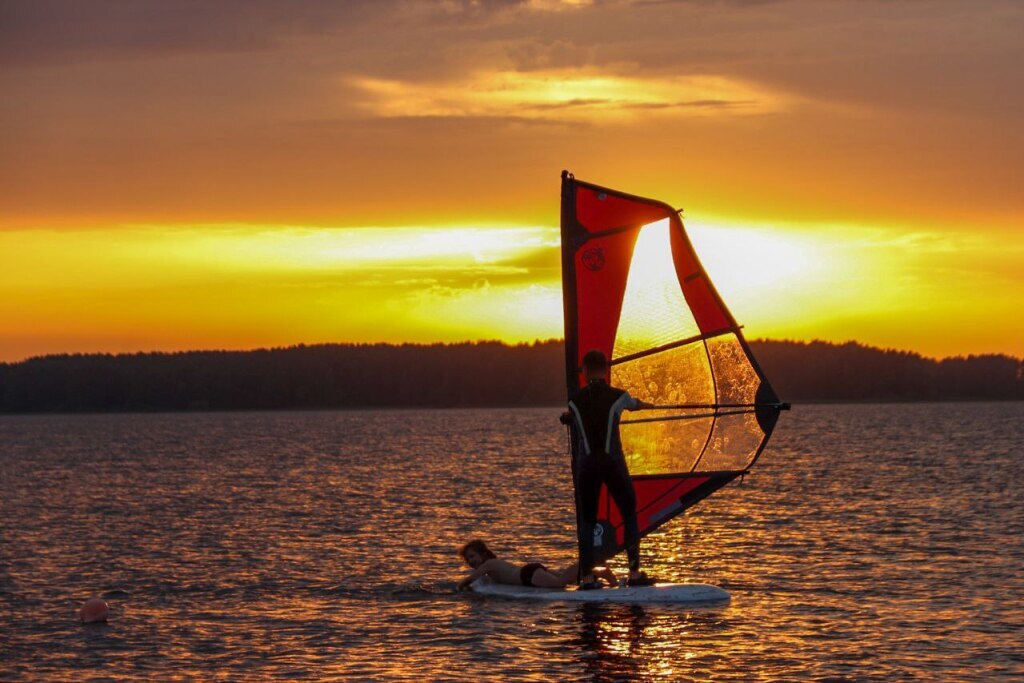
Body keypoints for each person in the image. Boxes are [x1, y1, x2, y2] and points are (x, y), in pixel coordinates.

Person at [563, 349, 656, 589]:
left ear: (583, 371)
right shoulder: (619, 396)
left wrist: (568, 417)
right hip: (612, 463)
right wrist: (646, 404)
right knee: (628, 514)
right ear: (606, 369)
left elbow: (572, 416)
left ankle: (587, 578)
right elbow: (634, 404)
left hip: (587, 467)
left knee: (587, 520)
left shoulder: (574, 400)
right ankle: (634, 575)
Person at [456, 539, 617, 591]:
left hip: (528, 575)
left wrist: (457, 589)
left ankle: (593, 563)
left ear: (482, 554)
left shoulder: (488, 564)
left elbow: (470, 579)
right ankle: (599, 572)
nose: (471, 561)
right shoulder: (490, 565)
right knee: (565, 578)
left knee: (560, 583)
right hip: (530, 570)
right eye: (468, 559)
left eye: (472, 556)